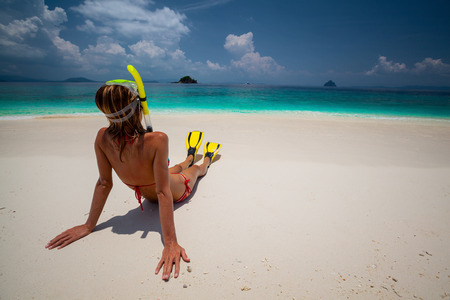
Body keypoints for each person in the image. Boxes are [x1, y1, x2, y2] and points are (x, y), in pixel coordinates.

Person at [45, 84, 221, 281]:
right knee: (190, 171)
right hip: (168, 188)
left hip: (169, 186)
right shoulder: (157, 139)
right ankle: (194, 159)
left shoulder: (102, 137)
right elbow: (162, 192)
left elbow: (104, 183)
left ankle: (202, 159)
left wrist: (89, 225)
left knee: (192, 170)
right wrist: (170, 242)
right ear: (139, 109)